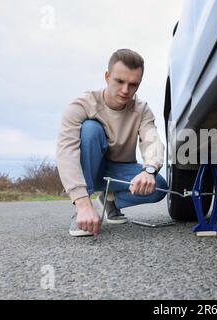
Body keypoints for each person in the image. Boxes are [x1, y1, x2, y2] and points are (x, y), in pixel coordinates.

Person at [57, 48, 167, 237]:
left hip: (120, 171)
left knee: (160, 187)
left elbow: (152, 140)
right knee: (91, 128)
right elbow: (66, 153)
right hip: (90, 169)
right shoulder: (82, 105)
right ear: (107, 76)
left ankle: (109, 200)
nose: (126, 90)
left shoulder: (142, 110)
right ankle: (83, 209)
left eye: (133, 84)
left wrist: (149, 170)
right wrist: (81, 201)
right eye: (119, 81)